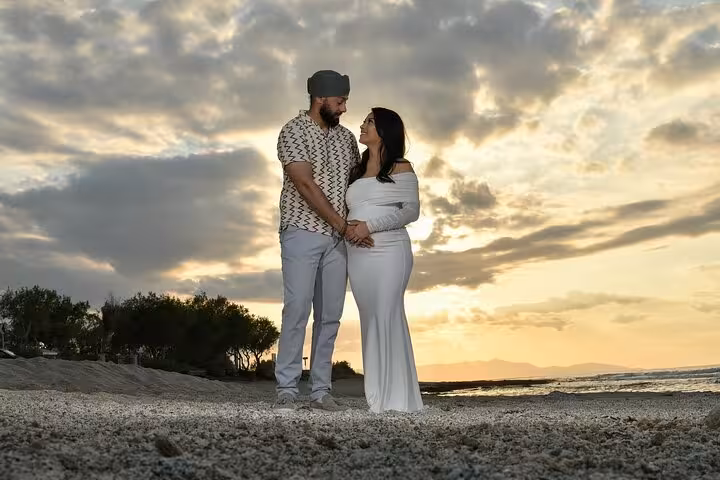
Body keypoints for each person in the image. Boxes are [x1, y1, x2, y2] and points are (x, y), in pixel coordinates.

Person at [274, 70, 370, 412]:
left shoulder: (346, 140)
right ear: (320, 99)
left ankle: (320, 391)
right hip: (301, 231)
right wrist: (341, 225)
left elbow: (358, 184)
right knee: (297, 308)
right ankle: (286, 389)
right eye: (340, 101)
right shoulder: (293, 131)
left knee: (330, 315)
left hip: (338, 239)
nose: (344, 108)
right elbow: (304, 184)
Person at [344, 107, 424, 413]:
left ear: (385, 130)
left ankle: (399, 399)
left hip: (389, 250)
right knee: (370, 320)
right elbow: (349, 210)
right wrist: (350, 229)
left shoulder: (401, 167)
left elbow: (410, 211)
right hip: (357, 253)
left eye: (369, 121)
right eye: (364, 121)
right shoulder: (356, 170)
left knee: (388, 314)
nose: (362, 125)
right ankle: (376, 399)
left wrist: (369, 226)